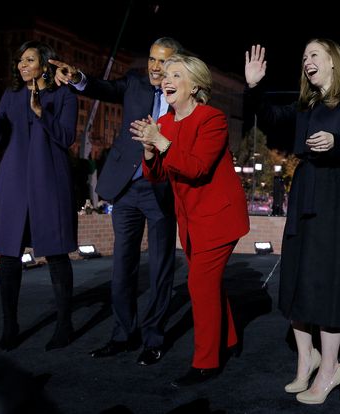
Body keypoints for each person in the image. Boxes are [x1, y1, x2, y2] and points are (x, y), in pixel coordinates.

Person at [244, 40, 340, 404]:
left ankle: (331, 368)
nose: (307, 61)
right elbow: (271, 118)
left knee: (326, 279)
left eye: (314, 55)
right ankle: (306, 361)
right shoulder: (307, 103)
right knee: (295, 275)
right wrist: (255, 87)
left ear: (334, 61)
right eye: (303, 56)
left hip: (336, 191)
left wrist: (337, 141)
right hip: (305, 187)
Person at [51, 37, 182, 366]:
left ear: (176, 63)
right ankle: (123, 335)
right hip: (126, 189)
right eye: (151, 59)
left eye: (162, 61)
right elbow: (101, 88)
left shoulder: (186, 93)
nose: (154, 66)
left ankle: (153, 338)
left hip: (162, 190)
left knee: (161, 269)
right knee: (123, 267)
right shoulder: (135, 83)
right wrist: (77, 76)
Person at [131, 54, 249, 387]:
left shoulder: (213, 119)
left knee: (199, 284)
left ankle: (206, 363)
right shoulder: (164, 122)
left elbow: (196, 167)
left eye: (175, 75)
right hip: (191, 220)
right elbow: (156, 176)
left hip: (219, 217)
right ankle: (228, 340)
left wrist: (160, 142)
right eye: (165, 75)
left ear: (194, 85)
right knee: (207, 283)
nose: (166, 80)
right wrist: (150, 150)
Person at [0, 40, 77, 351]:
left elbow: (67, 137)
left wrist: (42, 113)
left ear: (44, 64)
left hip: (50, 179)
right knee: (8, 254)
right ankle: (10, 325)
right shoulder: (11, 95)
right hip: (13, 180)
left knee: (56, 253)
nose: (22, 65)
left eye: (29, 59)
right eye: (20, 60)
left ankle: (64, 324)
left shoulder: (64, 94)